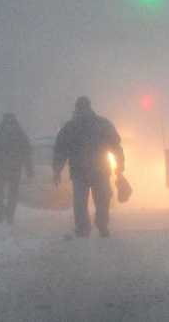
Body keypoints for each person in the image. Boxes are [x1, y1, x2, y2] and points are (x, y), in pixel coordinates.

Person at [52, 96, 125, 238]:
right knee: (101, 198)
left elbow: (60, 150)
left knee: (86, 200)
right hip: (98, 170)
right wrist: (120, 164)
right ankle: (98, 226)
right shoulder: (101, 124)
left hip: (83, 171)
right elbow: (115, 146)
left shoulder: (70, 127)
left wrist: (57, 170)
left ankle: (87, 228)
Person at [0, 113, 33, 223]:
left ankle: (3, 210)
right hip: (14, 167)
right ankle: (8, 212)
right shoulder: (20, 134)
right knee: (12, 192)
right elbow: (27, 153)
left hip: (0, 166)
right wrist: (29, 169)